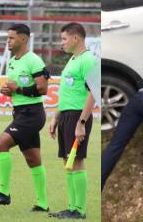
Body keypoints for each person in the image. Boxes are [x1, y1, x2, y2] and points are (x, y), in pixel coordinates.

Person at [0, 24, 50, 212]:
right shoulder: (13, 61)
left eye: (11, 38)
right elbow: (18, 89)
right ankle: (42, 204)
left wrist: (17, 89)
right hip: (21, 112)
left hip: (32, 114)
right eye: (7, 37)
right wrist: (10, 92)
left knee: (0, 144)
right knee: (33, 159)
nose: (8, 41)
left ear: (23, 39)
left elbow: (43, 89)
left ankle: (3, 193)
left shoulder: (34, 60)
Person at [48, 22, 96, 220]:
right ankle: (71, 207)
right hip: (66, 117)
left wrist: (81, 122)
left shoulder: (89, 60)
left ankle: (80, 210)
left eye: (64, 39)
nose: (62, 43)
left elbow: (94, 93)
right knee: (67, 162)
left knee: (76, 161)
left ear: (76, 38)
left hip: (78, 116)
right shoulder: (72, 60)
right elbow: (66, 93)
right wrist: (55, 117)